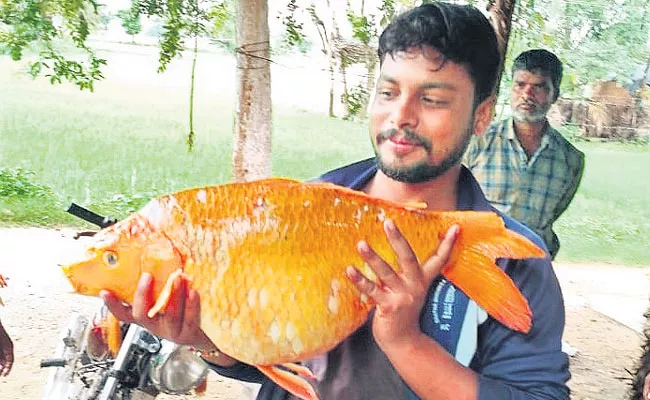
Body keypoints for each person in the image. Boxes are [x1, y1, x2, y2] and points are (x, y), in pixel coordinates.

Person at [101, 3, 570, 399]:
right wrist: (209, 340)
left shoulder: (513, 260)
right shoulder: (299, 211)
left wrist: (405, 342)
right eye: (388, 92)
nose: (400, 116)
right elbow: (266, 355)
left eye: (432, 100)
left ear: (482, 115)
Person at [463, 49, 585, 260]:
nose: (527, 95)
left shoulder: (570, 160)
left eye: (538, 87)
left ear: (554, 94)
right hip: (479, 261)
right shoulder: (477, 142)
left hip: (534, 265)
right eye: (520, 85)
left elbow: (552, 215)